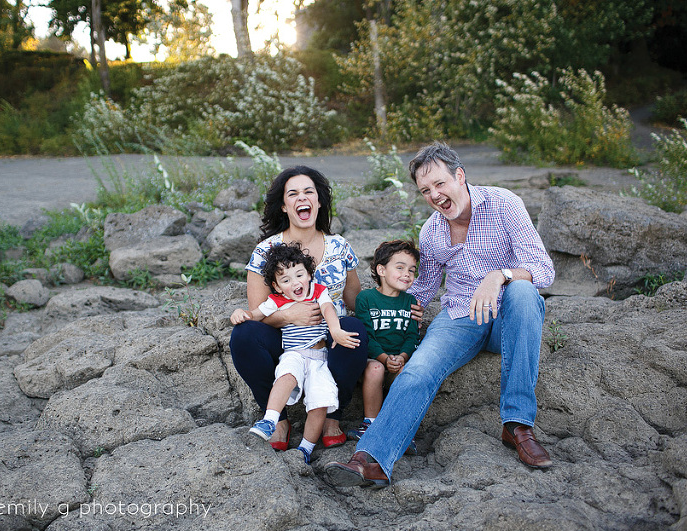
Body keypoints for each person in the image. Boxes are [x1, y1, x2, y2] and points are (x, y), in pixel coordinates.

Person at [326, 141, 555, 488]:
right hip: (460, 316)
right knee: (419, 369)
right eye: (425, 190)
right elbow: (423, 288)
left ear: (459, 176)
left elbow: (543, 269)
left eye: (440, 183)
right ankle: (370, 459)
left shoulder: (504, 204)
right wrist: (383, 313)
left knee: (524, 292)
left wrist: (500, 276)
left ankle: (518, 426)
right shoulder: (431, 232)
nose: (434, 195)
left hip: (509, 315)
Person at [230, 165, 369, 452]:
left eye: (309, 192)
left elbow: (355, 301)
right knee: (243, 335)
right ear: (284, 206)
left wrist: (396, 303)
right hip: (285, 339)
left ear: (319, 201)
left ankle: (332, 416)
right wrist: (289, 315)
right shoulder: (266, 250)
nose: (302, 197)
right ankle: (277, 419)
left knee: (354, 328)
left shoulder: (340, 246)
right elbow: (258, 314)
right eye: (292, 193)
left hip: (329, 338)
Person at [231, 243, 361, 463]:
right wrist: (240, 313)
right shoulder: (277, 301)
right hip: (294, 354)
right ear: (277, 286)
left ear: (309, 274)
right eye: (286, 280)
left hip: (320, 358)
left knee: (319, 401)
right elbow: (255, 315)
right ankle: (270, 420)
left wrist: (335, 330)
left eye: (299, 275)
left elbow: (328, 308)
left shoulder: (318, 291)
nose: (295, 283)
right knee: (286, 377)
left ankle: (306, 448)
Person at [348, 240, 420, 449]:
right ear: (381, 270)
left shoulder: (410, 301)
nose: (407, 274)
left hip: (399, 360)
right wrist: (384, 358)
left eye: (411, 270)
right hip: (373, 360)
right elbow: (367, 336)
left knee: (408, 374)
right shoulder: (366, 298)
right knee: (376, 369)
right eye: (400, 268)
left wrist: (402, 357)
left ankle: (400, 430)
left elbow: (411, 336)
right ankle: (370, 424)